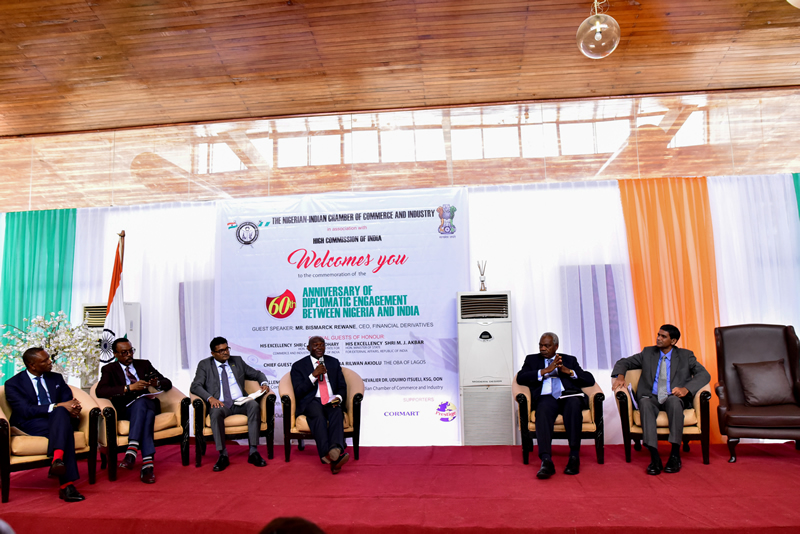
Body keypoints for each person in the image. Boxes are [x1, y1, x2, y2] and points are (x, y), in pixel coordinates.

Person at [611, 324, 710, 475]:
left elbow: (704, 374)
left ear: (673, 341)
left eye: (663, 336)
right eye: (658, 335)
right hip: (651, 396)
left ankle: (675, 454)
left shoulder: (686, 356)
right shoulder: (648, 353)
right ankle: (654, 457)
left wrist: (686, 389)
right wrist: (620, 376)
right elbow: (623, 362)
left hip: (672, 396)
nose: (658, 338)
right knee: (645, 403)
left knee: (675, 403)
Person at [4, 347, 85, 502]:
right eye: (45, 360)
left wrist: (74, 408)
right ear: (32, 365)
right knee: (64, 426)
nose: (50, 362)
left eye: (49, 358)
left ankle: (58, 461)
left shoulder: (56, 378)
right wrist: (57, 406)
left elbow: (68, 400)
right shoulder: (13, 384)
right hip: (32, 422)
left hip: (59, 419)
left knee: (61, 416)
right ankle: (65, 483)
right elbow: (25, 410)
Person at [516, 332, 596, 479]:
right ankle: (546, 460)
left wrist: (568, 372)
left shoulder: (569, 360)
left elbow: (589, 379)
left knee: (574, 405)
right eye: (541, 345)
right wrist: (544, 371)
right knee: (543, 409)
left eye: (547, 346)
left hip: (567, 395)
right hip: (546, 397)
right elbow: (521, 378)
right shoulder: (532, 360)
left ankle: (574, 457)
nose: (543, 348)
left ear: (556, 346)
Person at [95, 338, 171, 484]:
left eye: (131, 351)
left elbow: (167, 383)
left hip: (147, 403)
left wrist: (156, 383)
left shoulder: (144, 364)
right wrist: (128, 388)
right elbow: (101, 391)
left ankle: (131, 451)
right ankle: (147, 466)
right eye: (124, 352)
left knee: (142, 402)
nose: (129, 355)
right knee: (148, 415)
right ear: (115, 354)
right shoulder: (109, 369)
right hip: (126, 409)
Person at [190, 336, 271, 471]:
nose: (225, 352)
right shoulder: (205, 365)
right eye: (221, 351)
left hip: (240, 402)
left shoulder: (237, 361)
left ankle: (253, 452)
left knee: (253, 405)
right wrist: (210, 398)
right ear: (213, 353)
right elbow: (195, 386)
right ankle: (223, 454)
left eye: (226, 349)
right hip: (220, 404)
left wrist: (264, 383)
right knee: (215, 413)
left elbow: (257, 374)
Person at [290, 336, 349, 474]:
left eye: (322, 345)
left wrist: (339, 398)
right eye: (316, 345)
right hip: (312, 400)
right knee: (318, 416)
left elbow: (342, 386)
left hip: (331, 399)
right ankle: (332, 456)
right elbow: (298, 392)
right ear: (308, 348)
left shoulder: (333, 362)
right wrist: (313, 376)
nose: (319, 348)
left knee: (337, 412)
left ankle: (333, 451)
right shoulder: (298, 366)